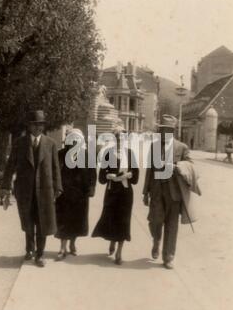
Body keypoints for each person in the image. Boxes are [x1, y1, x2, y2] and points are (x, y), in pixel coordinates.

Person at [1, 110, 63, 267]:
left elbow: (56, 168)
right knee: (28, 221)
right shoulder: (19, 144)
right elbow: (10, 167)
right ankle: (29, 249)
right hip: (25, 190)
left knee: (43, 223)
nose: (38, 128)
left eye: (41, 124)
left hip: (45, 190)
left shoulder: (50, 144)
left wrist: (58, 187)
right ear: (29, 126)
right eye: (35, 125)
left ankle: (40, 255)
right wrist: (5, 187)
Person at [143, 115, 193, 269]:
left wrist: (177, 166)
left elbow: (190, 165)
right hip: (157, 191)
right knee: (154, 221)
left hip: (174, 192)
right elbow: (150, 170)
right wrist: (146, 192)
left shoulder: (182, 147)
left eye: (169, 130)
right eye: (163, 129)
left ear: (173, 131)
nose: (166, 132)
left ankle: (168, 257)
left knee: (172, 226)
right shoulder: (154, 146)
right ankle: (156, 240)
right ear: (160, 130)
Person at [92, 125, 139, 265]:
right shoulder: (108, 154)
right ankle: (112, 241)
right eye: (118, 138)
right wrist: (109, 175)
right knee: (111, 219)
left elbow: (136, 178)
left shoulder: (130, 154)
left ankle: (119, 252)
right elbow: (101, 178)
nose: (120, 140)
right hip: (112, 192)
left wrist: (130, 174)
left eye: (123, 138)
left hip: (125, 193)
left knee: (124, 221)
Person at [55, 129, 97, 260]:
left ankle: (72, 243)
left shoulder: (87, 155)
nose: (74, 142)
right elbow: (55, 172)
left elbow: (92, 174)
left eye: (76, 140)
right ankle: (62, 247)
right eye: (71, 139)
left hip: (80, 194)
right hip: (64, 193)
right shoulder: (60, 154)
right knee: (62, 220)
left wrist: (91, 188)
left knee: (77, 220)